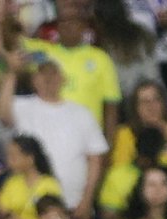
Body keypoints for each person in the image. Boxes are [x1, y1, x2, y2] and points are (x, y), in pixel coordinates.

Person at [0, 53, 107, 219]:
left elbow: (95, 160)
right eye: (43, 74)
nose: (49, 79)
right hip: (30, 213)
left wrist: (87, 200)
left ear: (63, 79)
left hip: (73, 207)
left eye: (54, 73)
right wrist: (12, 73)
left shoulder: (82, 113)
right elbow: (3, 115)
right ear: (34, 80)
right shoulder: (22, 106)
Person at [24, 7, 121, 142]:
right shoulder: (43, 53)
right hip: (49, 136)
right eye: (62, 22)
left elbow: (111, 106)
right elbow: (8, 42)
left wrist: (108, 145)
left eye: (73, 22)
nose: (67, 26)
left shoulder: (101, 58)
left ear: (84, 26)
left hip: (88, 140)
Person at [110, 80, 167, 199]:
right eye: (144, 102)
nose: (151, 106)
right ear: (135, 107)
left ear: (164, 103)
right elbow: (121, 176)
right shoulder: (124, 133)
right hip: (139, 194)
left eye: (156, 100)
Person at [0, 135, 62, 219]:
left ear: (30, 158)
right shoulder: (11, 183)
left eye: (13, 156)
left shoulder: (49, 184)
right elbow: (2, 211)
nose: (9, 161)